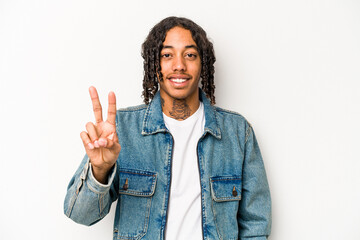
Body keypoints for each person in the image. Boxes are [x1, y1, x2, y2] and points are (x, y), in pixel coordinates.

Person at [64, 16, 271, 240]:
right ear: (154, 64)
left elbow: (256, 224)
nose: (179, 65)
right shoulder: (121, 130)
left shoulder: (238, 132)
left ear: (203, 63)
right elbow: (79, 214)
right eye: (167, 55)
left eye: (190, 55)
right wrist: (100, 170)